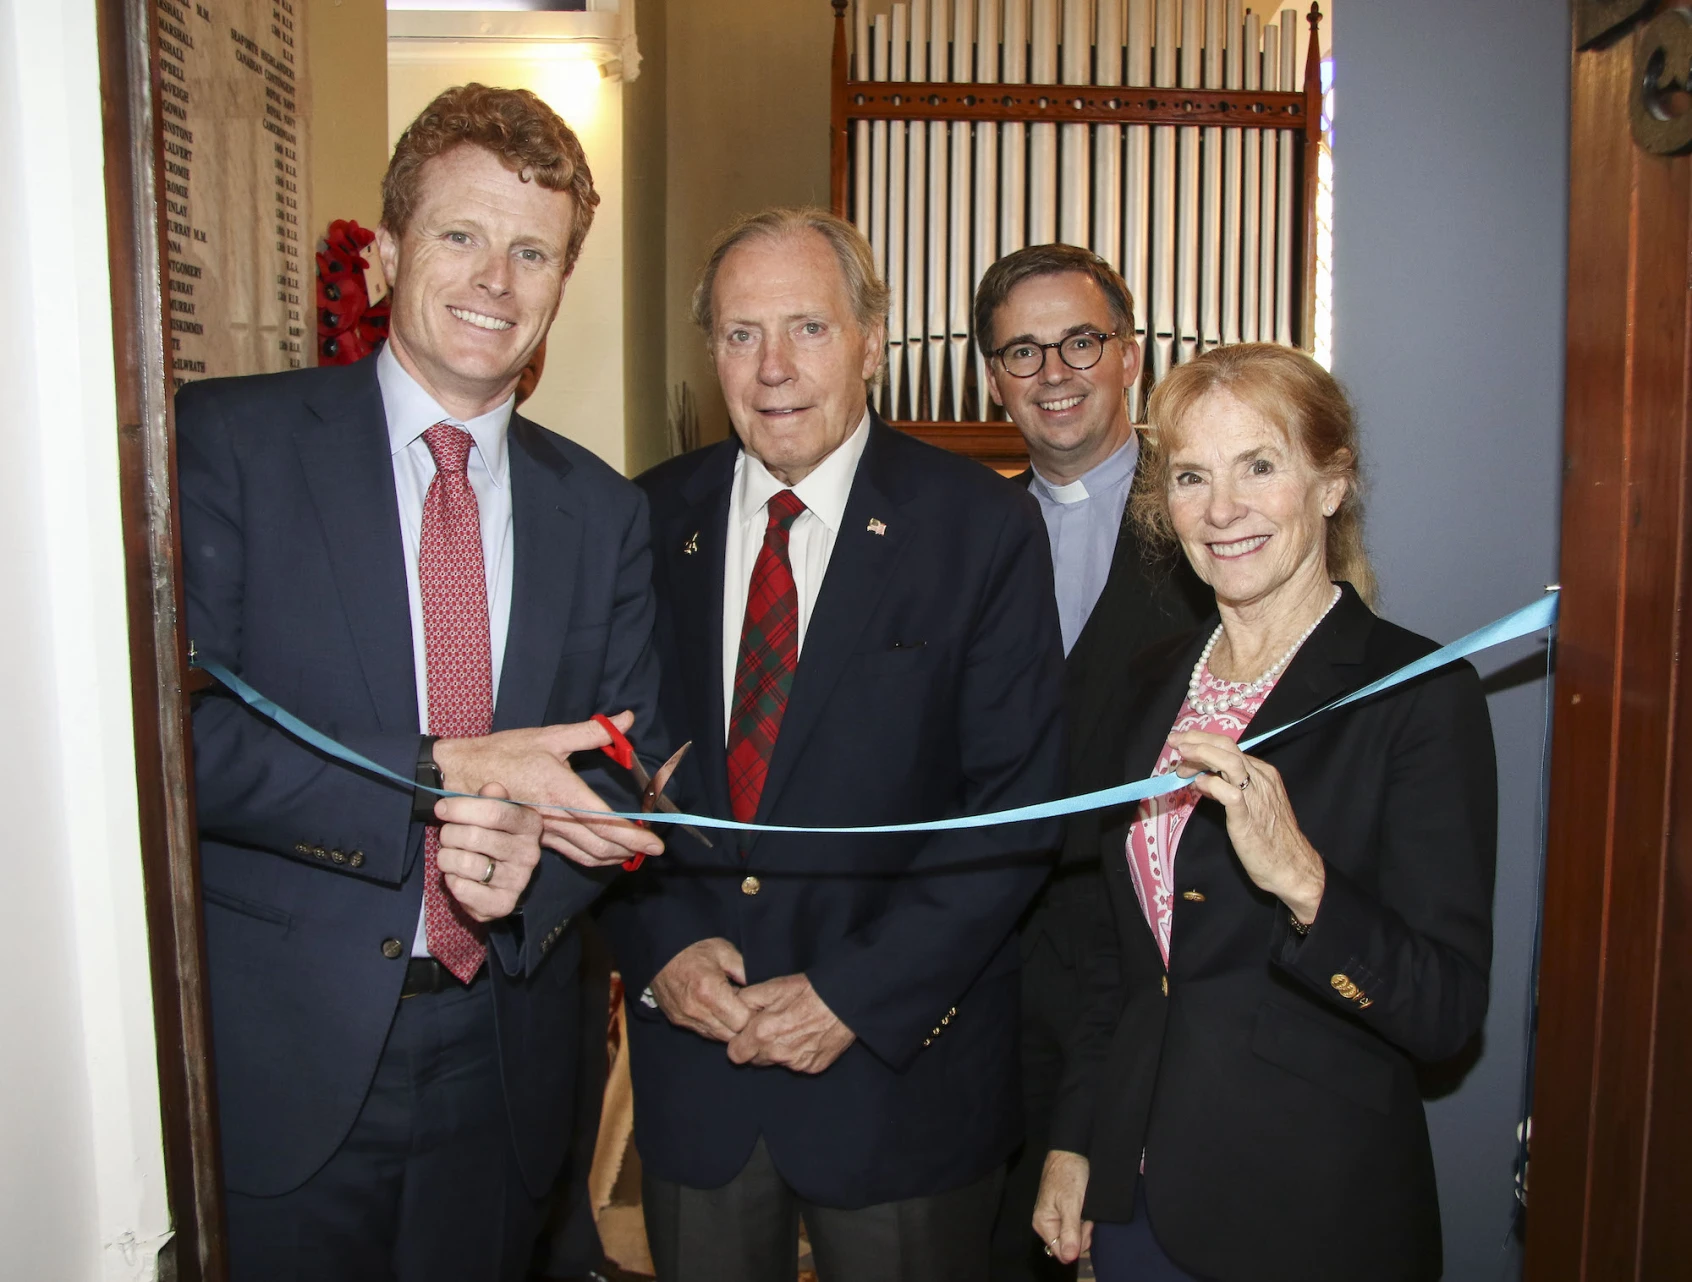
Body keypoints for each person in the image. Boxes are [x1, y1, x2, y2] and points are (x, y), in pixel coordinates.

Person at [178, 83, 666, 1281]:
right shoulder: (225, 443)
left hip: (502, 1054)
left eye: (533, 251)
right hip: (281, 1058)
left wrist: (539, 869)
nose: (496, 280)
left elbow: (621, 763)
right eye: (461, 235)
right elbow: (175, 738)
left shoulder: (604, 511)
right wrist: (438, 777)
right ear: (391, 249)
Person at [598, 207, 1066, 1282]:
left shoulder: (978, 528)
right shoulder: (644, 519)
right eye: (739, 332)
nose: (772, 368)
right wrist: (659, 944)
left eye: (807, 327)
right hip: (698, 1070)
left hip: (901, 1077)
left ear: (871, 339)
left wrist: (855, 994)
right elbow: (609, 764)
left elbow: (1014, 806)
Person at [1033, 343, 1497, 1282]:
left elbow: (1445, 1013)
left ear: (1331, 484)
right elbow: (1116, 959)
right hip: (1137, 1200)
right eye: (1193, 476)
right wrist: (1079, 1135)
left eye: (1259, 466)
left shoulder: (1416, 693)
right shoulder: (1148, 681)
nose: (1223, 510)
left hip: (1311, 1212)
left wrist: (1304, 881)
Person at [973, 244, 1209, 1282]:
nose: (1053, 371)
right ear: (991, 377)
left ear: (1132, 357)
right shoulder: (964, 532)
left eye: (1080, 340)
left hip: (1160, 969)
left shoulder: (1212, 524)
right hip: (989, 966)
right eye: (1022, 349)